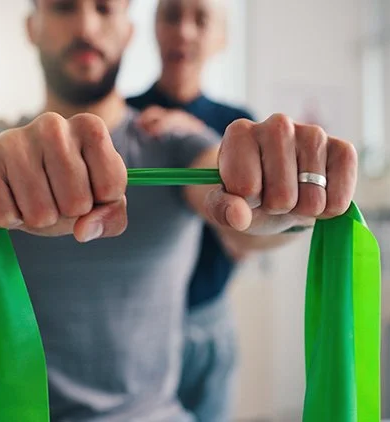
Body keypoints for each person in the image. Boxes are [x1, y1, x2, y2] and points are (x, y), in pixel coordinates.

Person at [0, 0, 358, 420]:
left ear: (128, 31)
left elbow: (233, 210)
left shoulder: (173, 140)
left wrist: (281, 203)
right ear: (32, 27)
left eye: (104, 8)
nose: (86, 26)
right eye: (63, 7)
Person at [126, 1, 255, 419]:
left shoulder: (239, 126)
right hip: (131, 332)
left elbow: (247, 236)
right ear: (154, 28)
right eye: (170, 16)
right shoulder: (122, 117)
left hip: (209, 320)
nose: (183, 31)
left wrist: (198, 136)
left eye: (200, 19)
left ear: (222, 38)